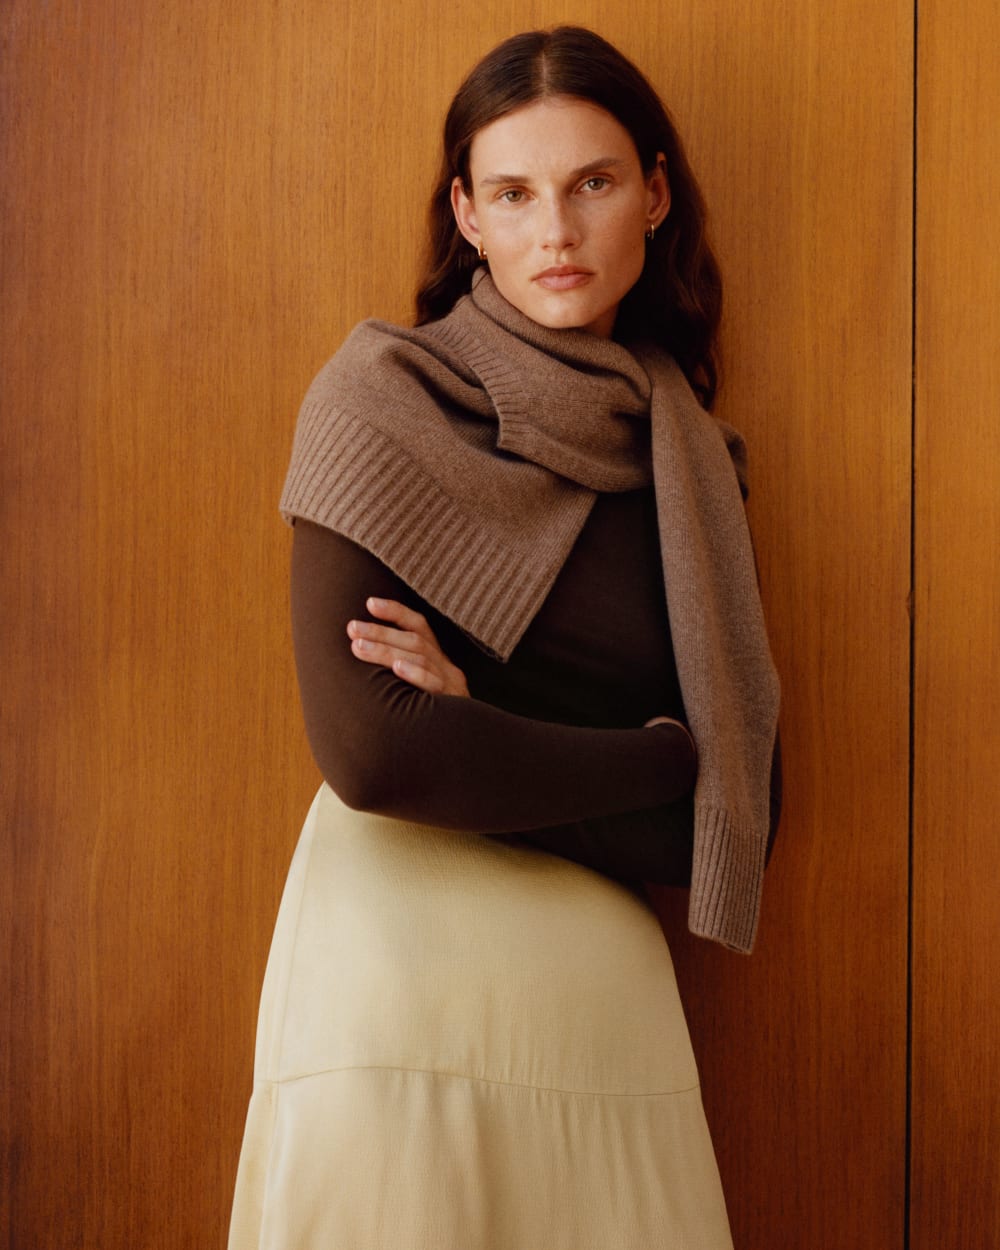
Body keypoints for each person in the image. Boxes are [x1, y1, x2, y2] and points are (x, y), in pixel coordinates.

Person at [228, 25, 780, 1250]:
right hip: (393, 976)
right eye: (515, 193)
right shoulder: (383, 397)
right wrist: (657, 753)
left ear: (654, 193)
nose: (557, 231)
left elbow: (723, 825)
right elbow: (378, 755)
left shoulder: (691, 467)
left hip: (598, 999)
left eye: (592, 183)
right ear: (467, 215)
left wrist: (477, 724)